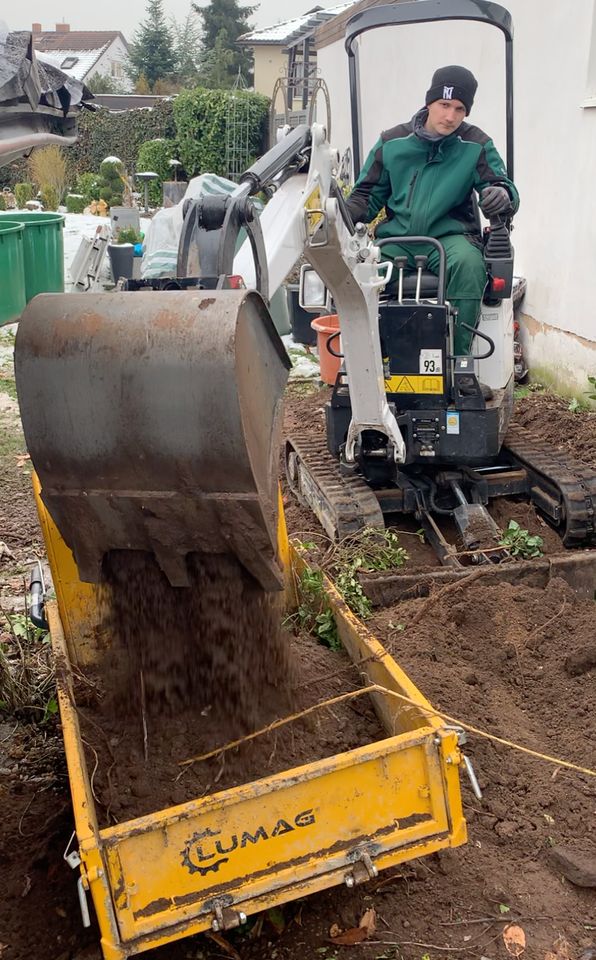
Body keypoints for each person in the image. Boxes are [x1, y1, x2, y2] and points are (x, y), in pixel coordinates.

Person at [345, 65, 519, 355]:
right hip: (396, 240)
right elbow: (366, 195)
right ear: (429, 102)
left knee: (469, 265)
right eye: (444, 105)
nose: (450, 116)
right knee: (358, 270)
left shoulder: (475, 145)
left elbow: (501, 185)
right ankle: (372, 360)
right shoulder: (392, 143)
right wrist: (345, 213)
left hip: (449, 238)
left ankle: (459, 362)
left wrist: (502, 196)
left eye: (460, 109)